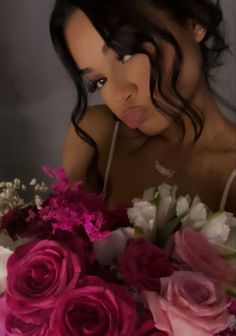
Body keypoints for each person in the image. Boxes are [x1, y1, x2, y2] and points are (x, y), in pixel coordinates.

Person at [50, 0, 236, 212]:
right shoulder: (96, 138)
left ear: (194, 21)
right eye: (99, 80)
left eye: (126, 55)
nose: (118, 94)